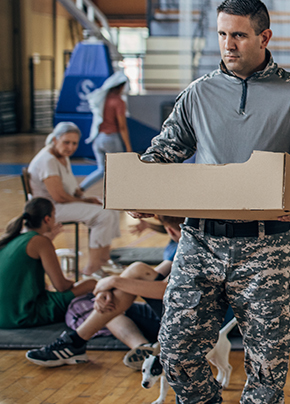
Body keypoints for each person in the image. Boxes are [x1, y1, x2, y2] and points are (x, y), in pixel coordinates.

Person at [134, 0, 290, 404]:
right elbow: (161, 154)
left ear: (264, 37)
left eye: (239, 36)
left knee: (267, 368)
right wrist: (140, 190)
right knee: (176, 353)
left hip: (265, 245)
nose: (228, 44)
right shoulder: (198, 94)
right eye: (222, 35)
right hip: (199, 243)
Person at [25, 215, 184, 368]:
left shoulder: (193, 248)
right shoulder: (183, 243)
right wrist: (109, 288)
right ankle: (146, 351)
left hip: (192, 325)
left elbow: (167, 290)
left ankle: (74, 342)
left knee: (133, 273)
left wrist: (114, 282)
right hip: (173, 317)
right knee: (107, 308)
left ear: (170, 231)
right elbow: (155, 275)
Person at [28, 121, 121, 277]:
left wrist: (86, 197)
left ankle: (104, 260)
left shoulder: (62, 156)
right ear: (55, 140)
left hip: (60, 204)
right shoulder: (48, 160)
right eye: (66, 142)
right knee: (102, 215)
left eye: (74, 143)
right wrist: (86, 201)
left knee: (110, 207)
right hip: (50, 210)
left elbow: (70, 190)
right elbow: (59, 196)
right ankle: (91, 269)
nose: (70, 147)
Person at [0, 197, 97, 330]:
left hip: (3, 315)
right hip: (22, 315)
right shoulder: (40, 241)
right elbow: (61, 286)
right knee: (91, 283)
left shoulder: (14, 239)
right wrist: (74, 284)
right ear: (47, 219)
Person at [80, 71, 132, 190]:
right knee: (119, 170)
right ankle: (120, 194)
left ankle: (81, 188)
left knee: (102, 170)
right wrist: (128, 147)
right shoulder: (118, 102)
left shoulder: (103, 99)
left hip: (98, 138)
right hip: (111, 139)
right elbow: (122, 126)